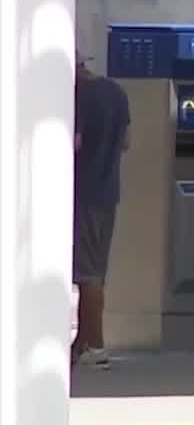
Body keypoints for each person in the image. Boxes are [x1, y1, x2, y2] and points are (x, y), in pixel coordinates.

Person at [73, 48, 130, 370]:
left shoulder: (79, 96)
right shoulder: (116, 92)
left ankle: (96, 347)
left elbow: (75, 142)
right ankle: (82, 342)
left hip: (84, 193)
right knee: (94, 272)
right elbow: (126, 142)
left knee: (87, 274)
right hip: (108, 193)